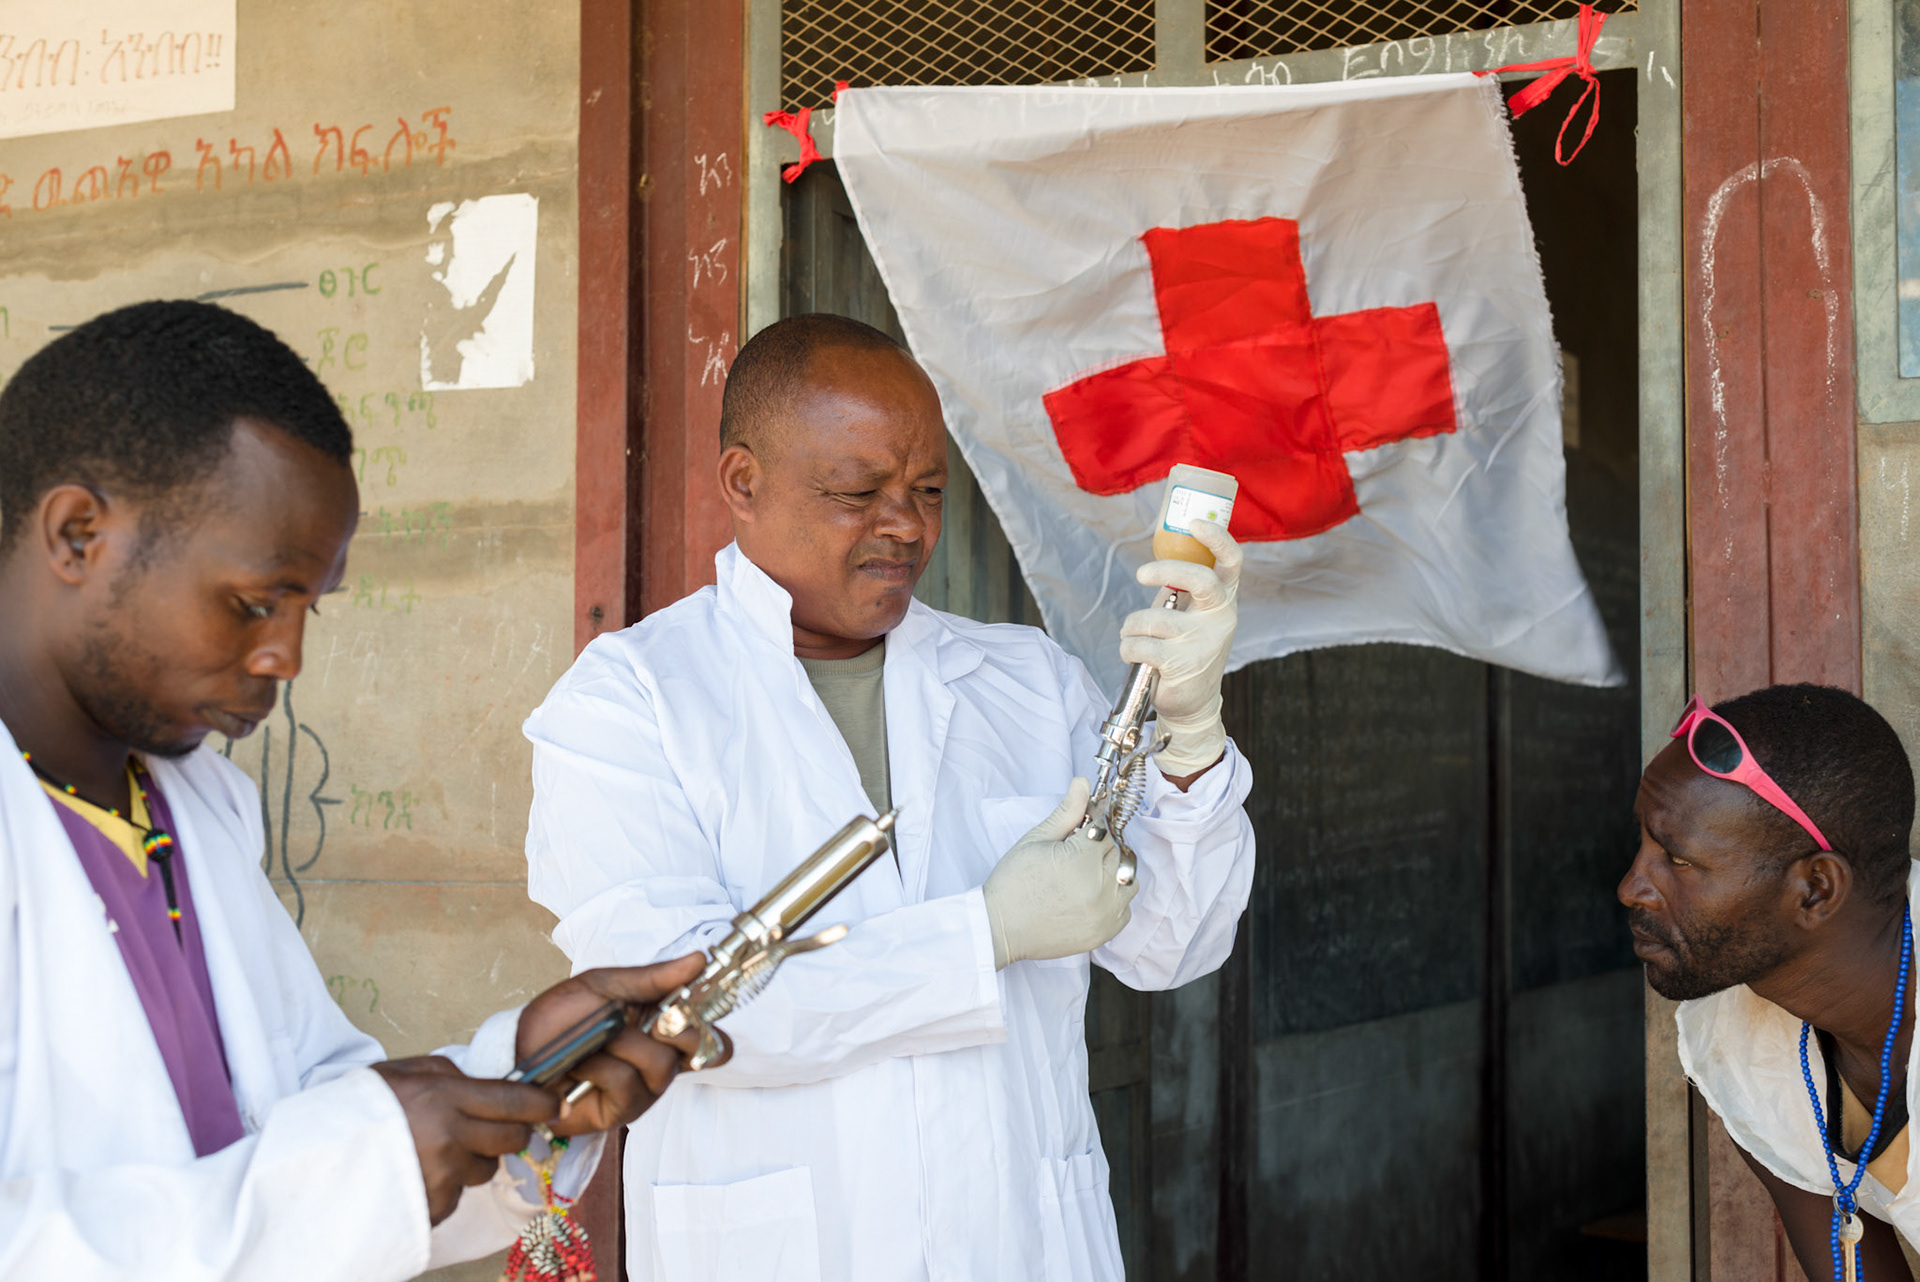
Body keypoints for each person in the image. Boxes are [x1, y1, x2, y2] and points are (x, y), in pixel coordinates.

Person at [524, 312, 1256, 1281]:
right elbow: (682, 1011)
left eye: (926, 490)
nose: (904, 525)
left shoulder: (1025, 682)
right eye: (857, 492)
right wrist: (980, 936)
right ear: (743, 482)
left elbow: (1174, 942)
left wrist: (1192, 744)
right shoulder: (632, 703)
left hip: (1021, 1247)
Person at [0, 300, 715, 1280]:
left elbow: (309, 1124)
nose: (284, 655)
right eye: (255, 601)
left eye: (308, 606)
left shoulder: (189, 808)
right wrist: (360, 1169)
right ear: (79, 534)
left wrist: (518, 1079)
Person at [1620, 683, 1920, 1279]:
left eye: (1678, 860)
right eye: (1645, 844)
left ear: (1815, 890)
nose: (1632, 887)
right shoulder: (1743, 1045)